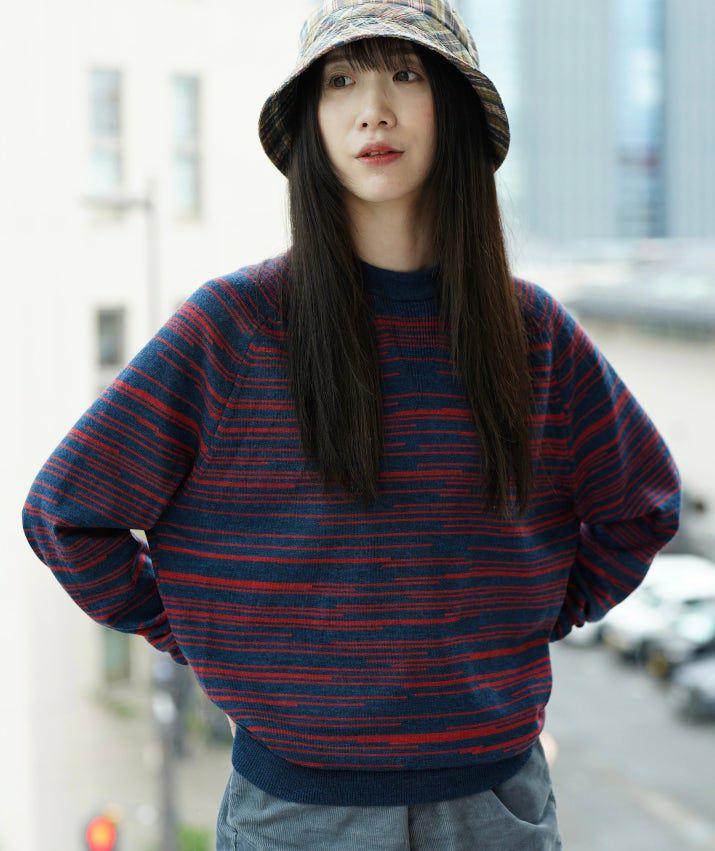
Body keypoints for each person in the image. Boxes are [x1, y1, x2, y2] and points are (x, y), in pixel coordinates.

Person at [21, 1, 682, 848]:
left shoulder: (531, 333)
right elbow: (66, 513)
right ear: (312, 121)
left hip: (494, 807)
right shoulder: (237, 324)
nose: (373, 108)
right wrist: (199, 632)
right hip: (297, 814)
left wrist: (538, 611)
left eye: (405, 74)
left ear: (453, 107)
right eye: (340, 81)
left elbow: (643, 505)